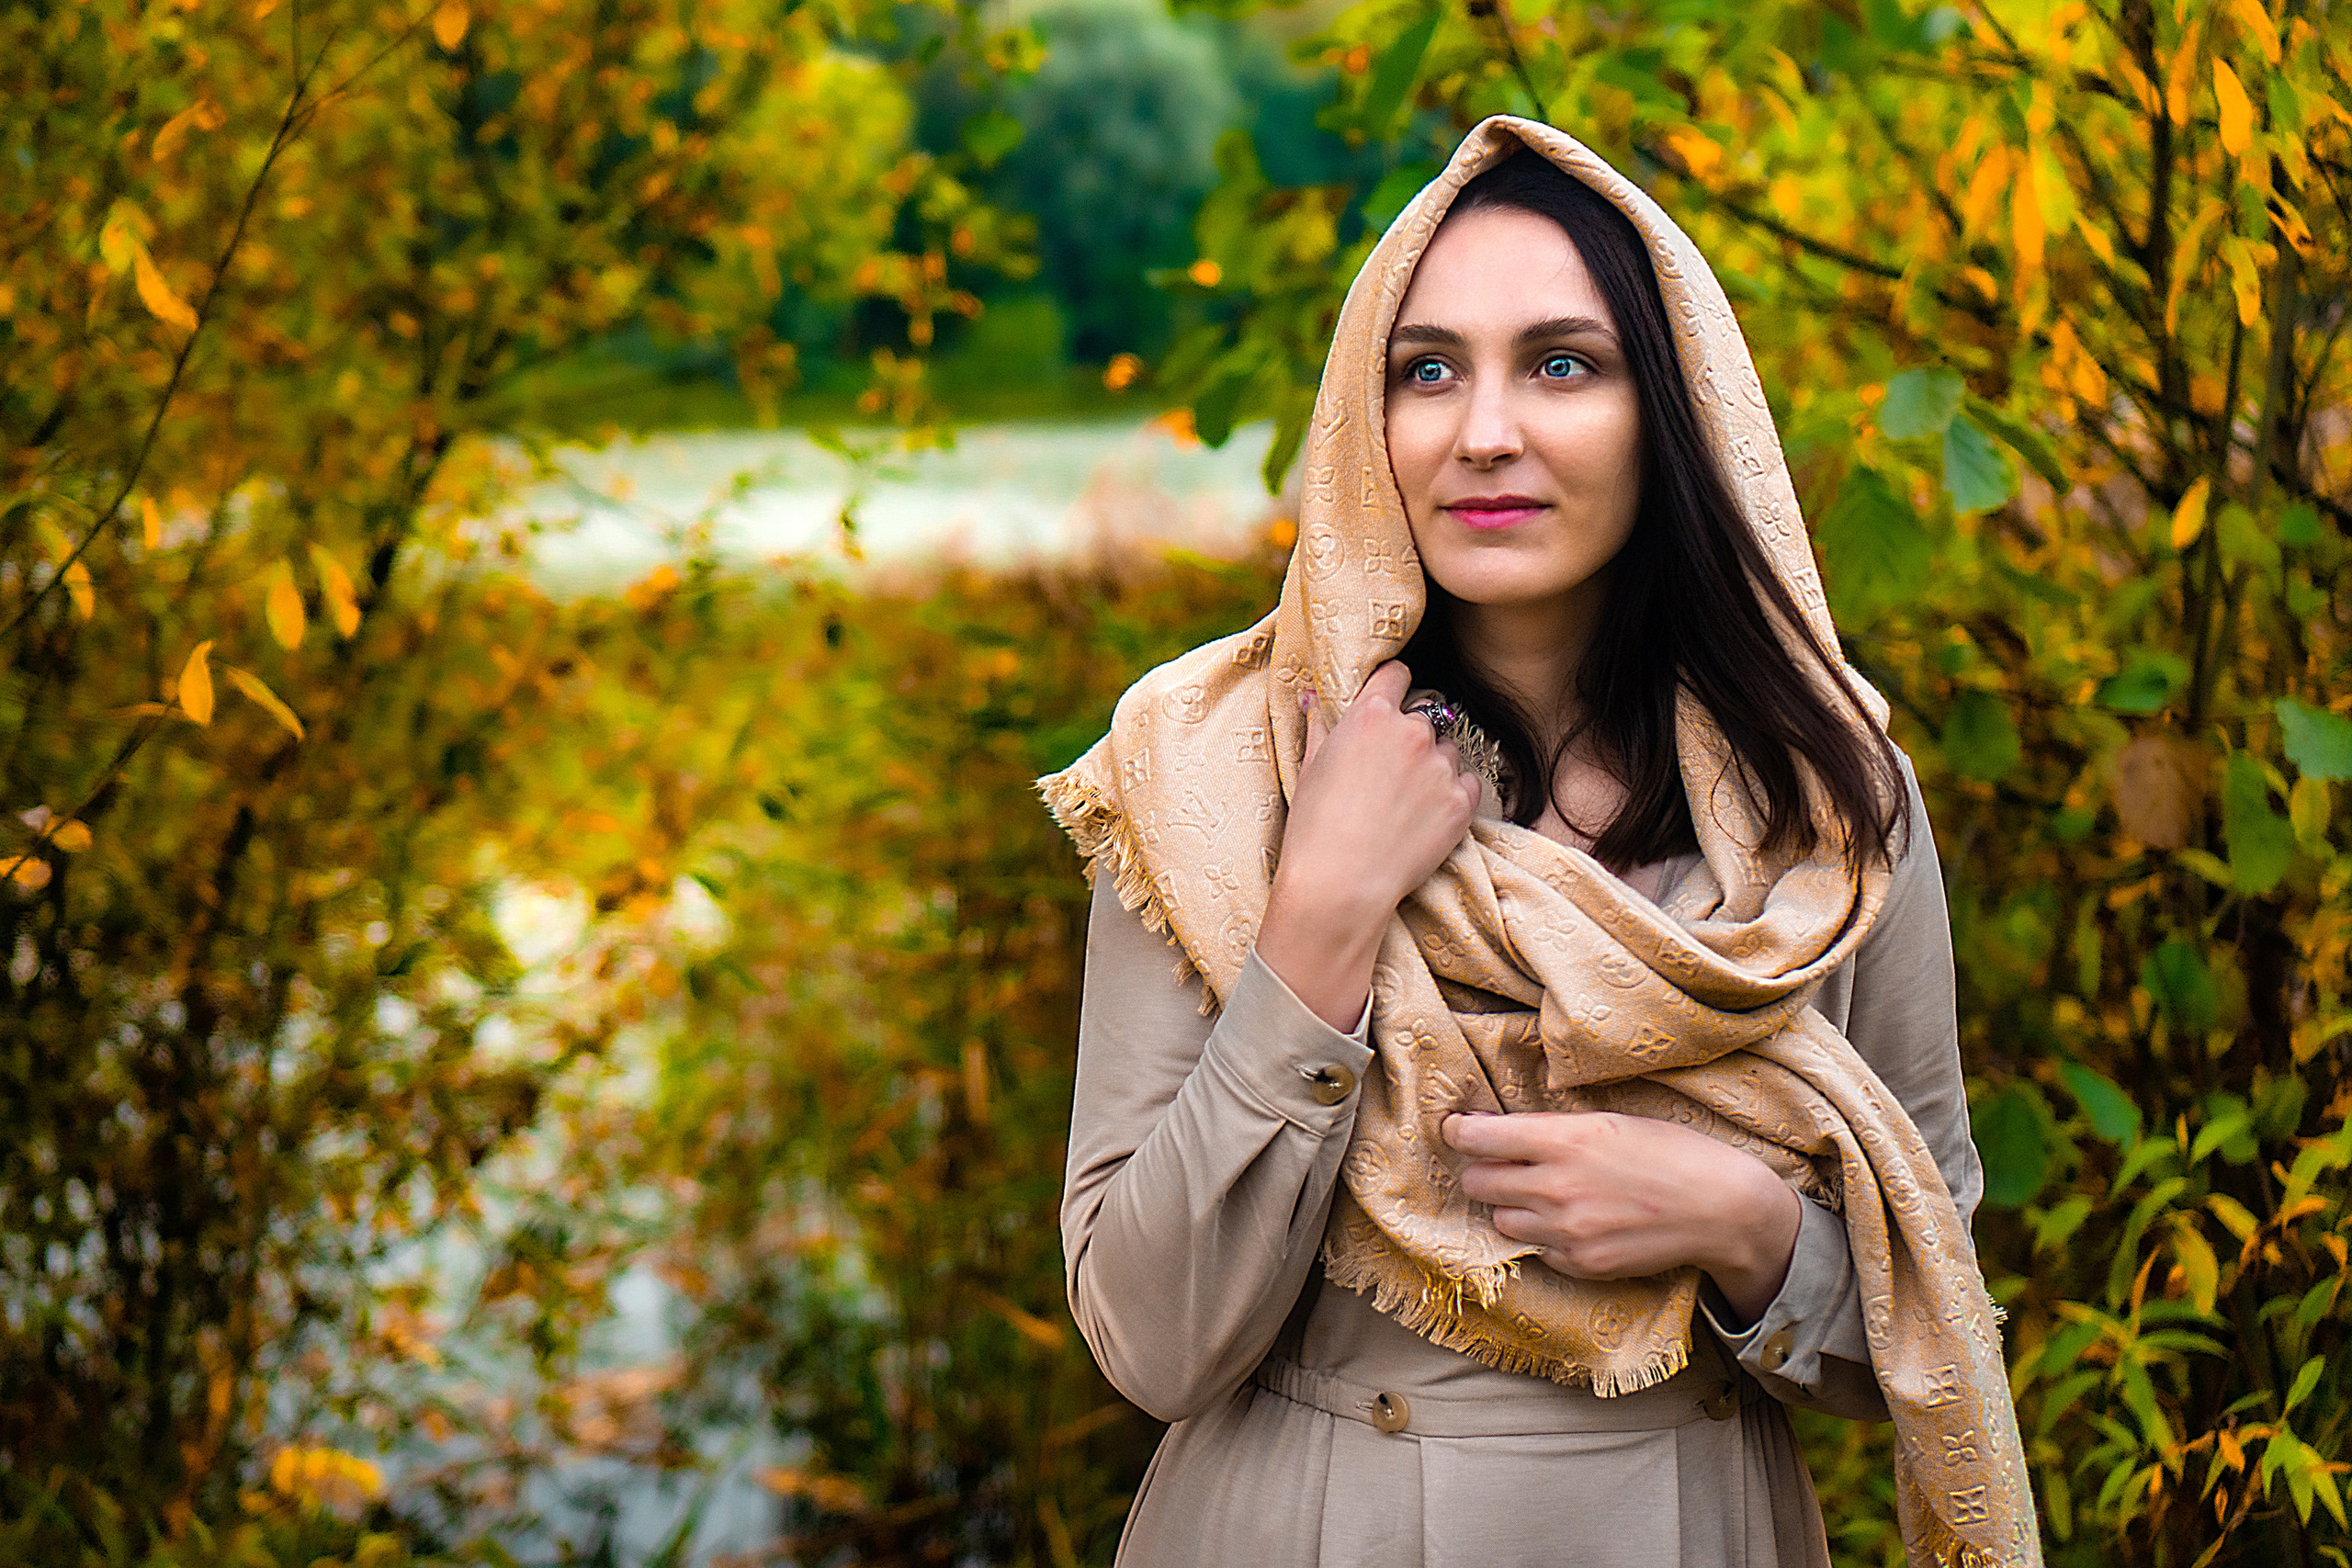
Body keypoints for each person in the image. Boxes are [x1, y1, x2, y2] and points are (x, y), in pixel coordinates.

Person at [1040, 118, 2039, 1568]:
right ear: (1360, 418)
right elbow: (1148, 1340)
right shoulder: (1209, 768)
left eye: (1563, 363)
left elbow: (1926, 1309)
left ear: (1674, 409)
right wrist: (1319, 916)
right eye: (1426, 368)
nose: (1482, 431)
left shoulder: (1826, 794)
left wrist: (1747, 1228)